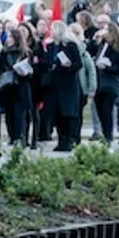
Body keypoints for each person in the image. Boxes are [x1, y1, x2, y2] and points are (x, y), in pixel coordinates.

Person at [38, 21, 84, 152]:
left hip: (67, 85)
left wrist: (69, 66)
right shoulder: (50, 46)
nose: (51, 32)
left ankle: (69, 140)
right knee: (56, 114)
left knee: (67, 114)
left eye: (53, 29)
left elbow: (78, 64)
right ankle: (60, 139)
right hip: (54, 85)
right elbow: (47, 62)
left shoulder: (70, 46)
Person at [90, 24, 119, 144]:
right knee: (99, 110)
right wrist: (94, 39)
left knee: (107, 110)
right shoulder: (102, 45)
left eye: (105, 29)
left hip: (111, 83)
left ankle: (108, 136)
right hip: (99, 82)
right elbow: (91, 50)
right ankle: (104, 133)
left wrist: (107, 67)